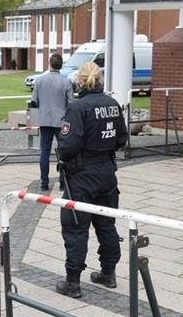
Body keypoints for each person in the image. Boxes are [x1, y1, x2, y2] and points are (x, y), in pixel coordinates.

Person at [55, 62, 128, 298]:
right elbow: (121, 139)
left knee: (76, 227)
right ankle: (109, 272)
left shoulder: (78, 108)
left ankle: (73, 282)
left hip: (82, 175)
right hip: (107, 173)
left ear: (79, 81)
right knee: (106, 225)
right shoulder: (113, 104)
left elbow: (68, 146)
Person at [30, 53, 73, 191]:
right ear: (61, 65)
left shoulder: (39, 80)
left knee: (45, 152)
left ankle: (44, 182)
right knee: (63, 152)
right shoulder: (66, 82)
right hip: (61, 121)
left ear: (49, 63)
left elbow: (34, 100)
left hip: (45, 120)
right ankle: (62, 182)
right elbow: (71, 103)